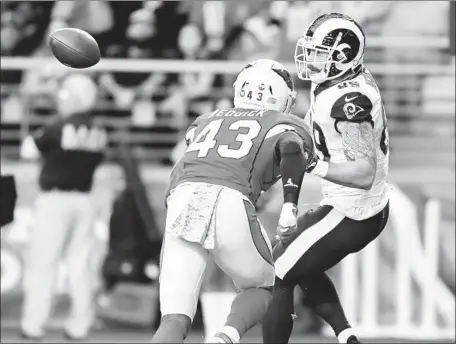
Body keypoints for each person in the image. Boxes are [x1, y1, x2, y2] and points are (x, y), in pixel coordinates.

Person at [152, 59, 314, 344]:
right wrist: (290, 203)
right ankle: (225, 337)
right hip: (228, 197)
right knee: (263, 285)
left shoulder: (207, 119)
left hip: (181, 198)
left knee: (174, 317)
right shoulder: (282, 122)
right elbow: (290, 147)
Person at [262, 13, 390, 344]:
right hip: (345, 205)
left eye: (320, 52)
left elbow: (363, 173)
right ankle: (347, 336)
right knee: (298, 261)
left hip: (354, 213)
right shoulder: (335, 84)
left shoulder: (349, 99)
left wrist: (314, 165)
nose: (311, 58)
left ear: (342, 56)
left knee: (277, 272)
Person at [19, 73, 107, 341]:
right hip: (84, 199)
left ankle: (34, 324)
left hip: (55, 200)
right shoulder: (98, 129)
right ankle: (79, 324)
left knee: (44, 262)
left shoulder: (57, 126)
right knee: (80, 265)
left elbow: (27, 150)